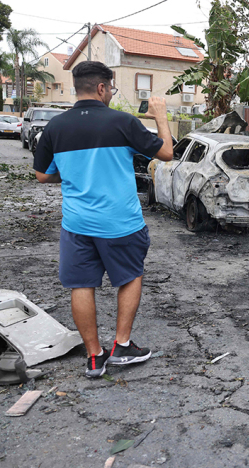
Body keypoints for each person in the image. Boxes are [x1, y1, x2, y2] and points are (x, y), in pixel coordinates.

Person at [33, 60, 173, 378]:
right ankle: (122, 346)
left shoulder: (55, 127)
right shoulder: (122, 122)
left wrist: (72, 176)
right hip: (121, 223)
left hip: (77, 225)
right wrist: (160, 116)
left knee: (81, 285)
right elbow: (166, 153)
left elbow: (42, 175)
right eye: (110, 87)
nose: (110, 92)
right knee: (130, 276)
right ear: (101, 88)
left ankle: (95, 357)